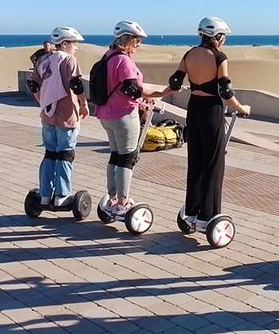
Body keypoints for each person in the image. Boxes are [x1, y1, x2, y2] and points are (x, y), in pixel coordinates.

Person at [167, 17, 251, 230]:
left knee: (195, 160)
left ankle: (192, 208)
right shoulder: (219, 57)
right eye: (223, 37)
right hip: (211, 110)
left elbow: (175, 81)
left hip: (193, 108)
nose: (224, 41)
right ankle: (208, 214)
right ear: (217, 37)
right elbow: (225, 91)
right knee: (214, 162)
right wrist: (241, 108)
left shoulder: (188, 54)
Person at [95, 20, 174, 216]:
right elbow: (133, 88)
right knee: (127, 158)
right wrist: (162, 93)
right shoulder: (124, 61)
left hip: (106, 114)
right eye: (137, 41)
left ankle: (112, 198)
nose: (139, 45)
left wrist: (141, 101)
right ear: (128, 40)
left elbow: (121, 89)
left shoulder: (108, 56)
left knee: (115, 155)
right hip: (123, 116)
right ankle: (122, 202)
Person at [27, 26, 89, 206]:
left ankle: (45, 194)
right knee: (65, 154)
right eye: (74, 44)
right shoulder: (69, 60)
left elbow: (33, 84)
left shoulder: (43, 60)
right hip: (67, 113)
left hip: (47, 114)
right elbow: (76, 84)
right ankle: (62, 195)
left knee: (50, 153)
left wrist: (42, 100)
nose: (76, 47)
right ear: (64, 43)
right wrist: (83, 104)